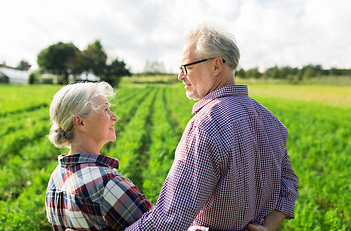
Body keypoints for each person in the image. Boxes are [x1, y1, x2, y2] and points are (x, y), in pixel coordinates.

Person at [124, 23, 299, 231]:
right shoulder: (270, 120)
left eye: (187, 67)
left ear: (216, 65)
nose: (181, 76)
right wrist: (268, 226)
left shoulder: (206, 124)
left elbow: (170, 219)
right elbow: (289, 184)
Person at [45, 82, 153, 230]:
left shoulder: (56, 178)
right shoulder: (107, 184)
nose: (114, 117)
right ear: (80, 122)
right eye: (105, 109)